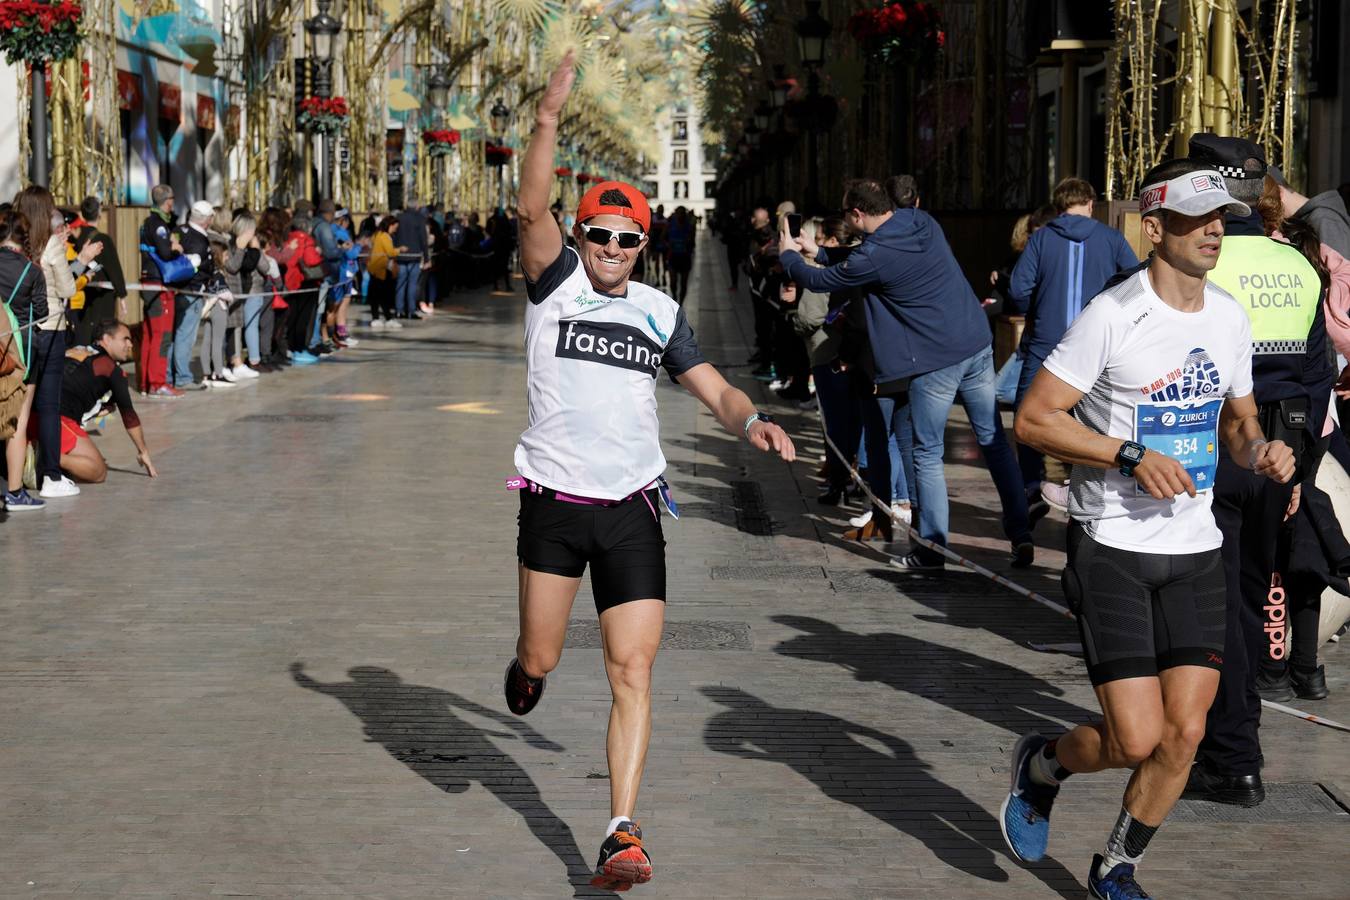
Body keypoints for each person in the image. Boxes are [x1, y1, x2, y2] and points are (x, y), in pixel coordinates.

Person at [506, 52, 796, 893]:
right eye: (599, 233)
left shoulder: (660, 311)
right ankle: (525, 669)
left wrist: (754, 422)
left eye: (628, 239)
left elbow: (715, 390)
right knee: (544, 657)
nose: (613, 249)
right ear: (580, 235)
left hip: (633, 506)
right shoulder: (554, 283)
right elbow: (531, 206)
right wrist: (549, 121)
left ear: (643, 244)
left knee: (632, 669)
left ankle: (619, 830)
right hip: (554, 506)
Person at [1004, 158, 1295, 899]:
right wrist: (1129, 455)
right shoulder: (1113, 314)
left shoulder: (1229, 315)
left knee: (1186, 737)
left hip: (1197, 551)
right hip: (1113, 549)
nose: (1213, 231)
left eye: (1220, 218)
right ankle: (1044, 766)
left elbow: (1237, 422)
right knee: (1133, 740)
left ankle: (1116, 866)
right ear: (1154, 228)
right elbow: (1035, 419)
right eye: (1196, 219)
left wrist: (1258, 451)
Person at [1180, 134, 1336, 808]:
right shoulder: (1296, 264)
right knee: (1247, 601)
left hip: (1211, 446)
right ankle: (1232, 750)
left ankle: (1229, 753)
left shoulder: (1195, 259)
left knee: (1206, 609)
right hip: (1276, 452)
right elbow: (1316, 374)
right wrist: (1298, 463)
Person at [780, 177, 1033, 567]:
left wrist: (790, 256)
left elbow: (820, 279)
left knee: (926, 453)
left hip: (936, 360)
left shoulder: (875, 254)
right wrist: (821, 251)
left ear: (858, 214)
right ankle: (1021, 533)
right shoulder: (922, 222)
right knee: (993, 441)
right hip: (976, 343)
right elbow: (861, 261)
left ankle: (931, 552)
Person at [1008, 178, 1139, 508]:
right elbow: (1135, 280)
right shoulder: (1110, 237)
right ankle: (1084, 493)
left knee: (1029, 415)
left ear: (1057, 207)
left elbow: (1018, 290)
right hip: (1098, 347)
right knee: (1092, 421)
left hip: (1045, 345)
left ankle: (1030, 485)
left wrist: (1037, 309)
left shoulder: (1041, 239)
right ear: (1091, 203)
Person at [16, 185, 99, 498]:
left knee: (17, 401)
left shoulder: (14, 244)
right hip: (50, 328)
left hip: (18, 330)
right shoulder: (51, 244)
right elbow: (66, 289)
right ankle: (50, 474)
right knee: (48, 404)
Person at [51, 319, 157, 482]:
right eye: (125, 339)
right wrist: (143, 451)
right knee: (98, 471)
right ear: (107, 339)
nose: (130, 345)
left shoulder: (75, 349)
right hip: (58, 419)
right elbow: (129, 415)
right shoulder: (112, 370)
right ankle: (46, 456)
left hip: (35, 412)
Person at [0, 209, 48, 511]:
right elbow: (41, 312)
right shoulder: (31, 272)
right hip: (19, 353)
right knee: (17, 421)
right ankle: (15, 492)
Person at [138, 184, 192, 397]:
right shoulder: (158, 225)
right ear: (168, 201)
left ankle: (145, 383)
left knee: (149, 335)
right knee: (162, 335)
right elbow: (165, 252)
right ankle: (158, 383)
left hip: (147, 281)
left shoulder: (146, 223)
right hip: (159, 284)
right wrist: (176, 247)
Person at [169, 201, 217, 391]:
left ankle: (170, 375)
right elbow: (194, 265)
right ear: (207, 220)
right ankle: (182, 377)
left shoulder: (180, 230)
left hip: (178, 290)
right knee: (185, 336)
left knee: (174, 335)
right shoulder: (198, 239)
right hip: (191, 291)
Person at [70, 196, 127, 346]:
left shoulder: (76, 239)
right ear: (100, 214)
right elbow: (114, 268)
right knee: (102, 331)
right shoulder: (103, 239)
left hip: (80, 291)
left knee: (84, 330)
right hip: (103, 295)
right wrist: (122, 295)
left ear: (82, 214)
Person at [1267, 166, 1350, 258]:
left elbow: (1340, 270)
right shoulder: (1315, 218)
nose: (1265, 211)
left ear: (1279, 192)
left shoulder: (1324, 220)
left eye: (1265, 203)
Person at [395, 198, 428, 318]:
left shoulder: (399, 217)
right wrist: (427, 258)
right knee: (412, 284)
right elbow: (423, 239)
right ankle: (411, 310)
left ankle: (399, 309)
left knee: (400, 283)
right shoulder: (420, 219)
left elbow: (394, 235)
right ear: (416, 207)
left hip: (400, 254)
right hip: (415, 255)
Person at [366, 217, 401, 329]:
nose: (395, 230)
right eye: (395, 228)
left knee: (376, 295)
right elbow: (390, 252)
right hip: (381, 269)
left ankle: (376, 317)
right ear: (390, 225)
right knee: (384, 295)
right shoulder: (385, 236)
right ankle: (387, 318)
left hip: (373, 268)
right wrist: (400, 249)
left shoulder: (376, 234)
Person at [665, 206, 695, 304]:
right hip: (673, 256)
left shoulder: (689, 226)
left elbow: (692, 241)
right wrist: (668, 244)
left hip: (685, 257)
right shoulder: (670, 225)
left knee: (683, 283)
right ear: (676, 214)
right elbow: (662, 237)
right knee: (673, 281)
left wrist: (688, 243)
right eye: (679, 213)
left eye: (682, 213)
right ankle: (674, 295)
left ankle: (681, 303)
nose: (680, 215)